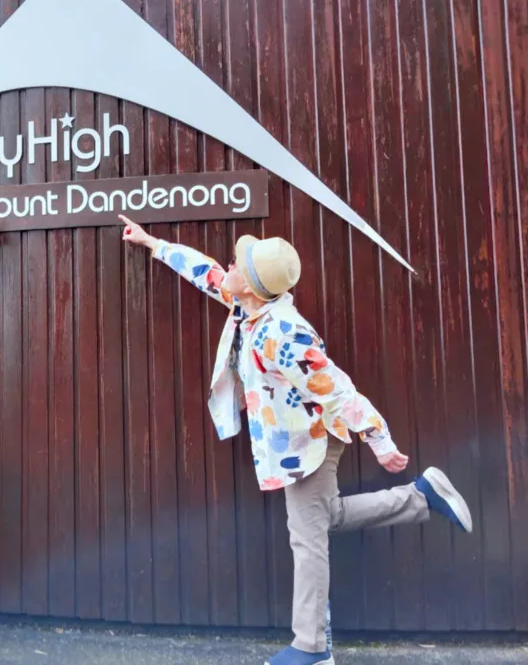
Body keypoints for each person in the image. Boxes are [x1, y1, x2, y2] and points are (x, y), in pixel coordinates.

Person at [118, 215, 473, 665]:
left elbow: (337, 389)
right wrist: (152, 243)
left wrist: (379, 440)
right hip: (293, 442)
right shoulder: (247, 304)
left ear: (252, 286)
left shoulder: (282, 333)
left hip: (310, 443)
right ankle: (422, 496)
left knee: (307, 540)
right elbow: (206, 272)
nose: (229, 266)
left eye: (239, 264)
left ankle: (312, 647)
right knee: (324, 518)